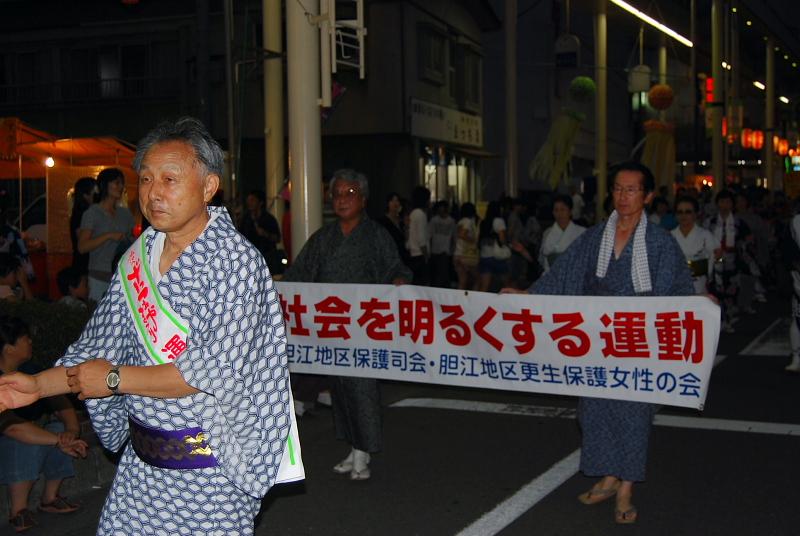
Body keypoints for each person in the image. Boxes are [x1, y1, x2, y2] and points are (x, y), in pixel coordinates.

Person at [0, 117, 293, 535]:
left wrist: (116, 379)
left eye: (170, 179)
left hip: (213, 474)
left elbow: (211, 370)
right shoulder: (140, 253)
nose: (153, 193)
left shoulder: (236, 263)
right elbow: (98, 343)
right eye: (146, 179)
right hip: (142, 469)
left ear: (209, 187)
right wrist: (37, 387)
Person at [508, 162, 694, 525]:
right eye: (618, 189)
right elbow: (563, 275)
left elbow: (680, 290)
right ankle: (609, 476)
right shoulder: (595, 237)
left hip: (639, 342)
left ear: (648, 196)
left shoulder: (660, 243)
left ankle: (626, 488)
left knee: (633, 414)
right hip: (596, 340)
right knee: (593, 411)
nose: (623, 197)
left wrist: (702, 305)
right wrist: (528, 294)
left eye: (632, 190)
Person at [283, 168, 412, 481]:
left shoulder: (377, 236)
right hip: (332, 326)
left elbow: (398, 268)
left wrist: (399, 280)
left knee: (362, 387)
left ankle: (364, 450)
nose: (341, 199)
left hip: (364, 327)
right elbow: (300, 273)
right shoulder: (323, 238)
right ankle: (354, 446)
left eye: (349, 193)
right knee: (340, 388)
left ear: (363, 199)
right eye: (337, 194)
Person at [0, 315, 88, 533]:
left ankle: (50, 498)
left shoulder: (31, 371)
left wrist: (71, 430)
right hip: (10, 439)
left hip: (35, 432)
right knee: (22, 440)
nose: (30, 342)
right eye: (25, 338)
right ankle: (18, 510)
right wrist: (59, 440)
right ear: (8, 348)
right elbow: (12, 426)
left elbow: (60, 401)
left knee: (58, 429)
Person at [77, 168, 134, 302]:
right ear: (104, 185)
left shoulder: (125, 214)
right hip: (99, 276)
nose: (120, 187)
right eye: (116, 183)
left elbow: (131, 239)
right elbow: (82, 246)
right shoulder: (93, 213)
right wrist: (108, 236)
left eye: (122, 183)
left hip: (122, 277)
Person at [704, 190, 751, 333]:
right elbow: (704, 239)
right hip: (715, 259)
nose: (725, 205)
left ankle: (727, 318)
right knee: (715, 289)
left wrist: (741, 247)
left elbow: (748, 239)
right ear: (717, 203)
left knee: (730, 292)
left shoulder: (738, 222)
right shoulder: (710, 221)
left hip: (732, 260)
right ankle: (718, 319)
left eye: (728, 202)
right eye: (722, 201)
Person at [671, 196, 717, 295]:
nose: (683, 215)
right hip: (675, 291)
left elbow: (716, 260)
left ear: (695, 214)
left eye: (688, 212)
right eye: (680, 212)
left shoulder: (706, 235)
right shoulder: (670, 236)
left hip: (699, 289)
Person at [538, 195, 586, 273]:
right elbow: (544, 260)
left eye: (563, 209)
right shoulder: (547, 233)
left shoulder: (581, 232)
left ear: (570, 212)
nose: (559, 213)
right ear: (552, 212)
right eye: (556, 210)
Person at [238, 189, 281, 263]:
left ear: (260, 202)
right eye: (248, 201)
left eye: (252, 200)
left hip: (267, 257)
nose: (249, 203)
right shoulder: (245, 219)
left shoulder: (268, 219)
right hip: (250, 258)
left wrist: (265, 234)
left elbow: (277, 238)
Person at [478, 200, 510, 292]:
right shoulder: (499, 221)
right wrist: (506, 245)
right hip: (496, 255)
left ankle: (479, 305)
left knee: (484, 287)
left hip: (484, 256)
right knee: (507, 284)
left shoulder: (484, 221)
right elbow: (502, 238)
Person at [69, 177, 97, 274]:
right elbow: (83, 242)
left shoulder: (92, 212)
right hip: (84, 265)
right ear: (86, 195)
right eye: (95, 192)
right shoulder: (80, 215)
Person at [377, 191, 410, 266]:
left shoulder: (402, 221)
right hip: (389, 259)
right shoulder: (382, 221)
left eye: (397, 200)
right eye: (392, 200)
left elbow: (406, 240)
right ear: (388, 203)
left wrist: (407, 226)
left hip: (403, 258)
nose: (395, 203)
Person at [406, 186, 431, 285]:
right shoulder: (421, 214)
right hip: (420, 255)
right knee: (423, 285)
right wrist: (426, 255)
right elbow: (421, 238)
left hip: (413, 254)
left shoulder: (413, 213)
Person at [428, 200, 455, 288]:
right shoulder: (434, 220)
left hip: (445, 251)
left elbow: (453, 237)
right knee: (436, 274)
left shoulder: (451, 221)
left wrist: (452, 251)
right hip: (435, 251)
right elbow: (430, 236)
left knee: (443, 274)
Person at [453, 202, 480, 290]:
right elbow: (462, 234)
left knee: (462, 281)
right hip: (466, 255)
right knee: (477, 279)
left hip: (457, 253)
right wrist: (473, 240)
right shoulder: (468, 222)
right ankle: (472, 300)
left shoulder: (460, 221)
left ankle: (459, 300)